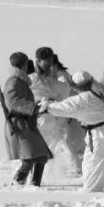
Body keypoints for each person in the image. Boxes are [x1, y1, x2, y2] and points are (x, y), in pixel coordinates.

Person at [43, 71, 104, 192]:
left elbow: (65, 108)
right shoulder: (99, 89)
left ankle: (91, 195)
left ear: (76, 86)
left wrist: (47, 106)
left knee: (91, 172)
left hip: (101, 136)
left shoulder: (84, 99)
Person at [31, 47, 82, 178]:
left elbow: (63, 91)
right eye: (46, 62)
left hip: (53, 117)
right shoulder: (33, 78)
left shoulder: (53, 77)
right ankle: (39, 177)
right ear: (38, 60)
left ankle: (68, 171)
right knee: (53, 146)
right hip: (41, 118)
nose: (48, 65)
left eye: (50, 61)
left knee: (58, 145)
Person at [3, 52, 51, 187]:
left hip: (26, 123)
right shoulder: (13, 81)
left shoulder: (19, 80)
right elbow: (13, 102)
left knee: (41, 155)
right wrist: (34, 108)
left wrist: (37, 106)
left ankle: (35, 185)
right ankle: (17, 184)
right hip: (18, 124)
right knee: (29, 158)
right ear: (24, 65)